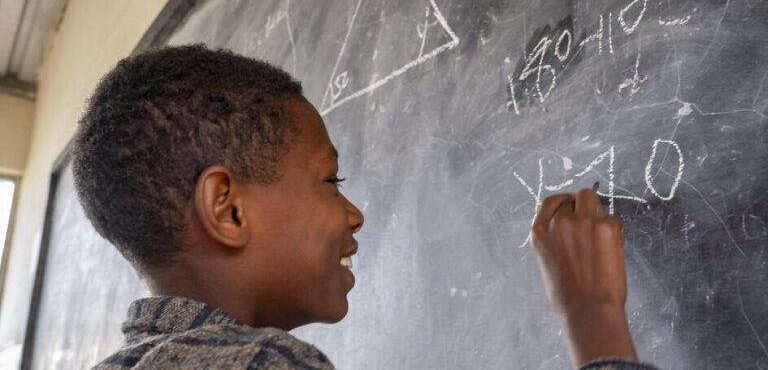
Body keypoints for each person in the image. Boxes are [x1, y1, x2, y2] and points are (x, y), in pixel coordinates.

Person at [72, 45, 657, 369]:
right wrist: (594, 311)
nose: (355, 215)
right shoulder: (263, 364)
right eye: (331, 181)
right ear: (228, 211)